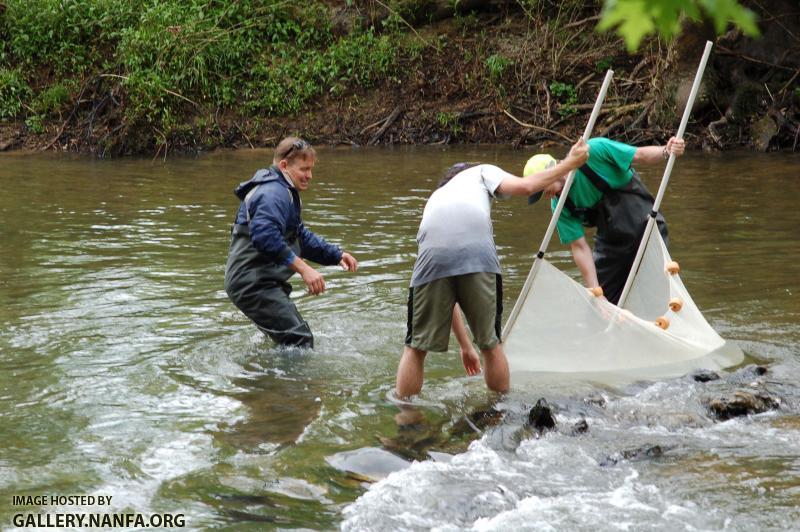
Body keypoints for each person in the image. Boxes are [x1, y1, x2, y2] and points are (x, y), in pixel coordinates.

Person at [395, 139, 590, 399]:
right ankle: (501, 410)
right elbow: (527, 185)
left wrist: (465, 347)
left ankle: (406, 421)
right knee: (491, 345)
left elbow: (448, 298)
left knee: (415, 348)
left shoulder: (436, 198)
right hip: (477, 250)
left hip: (432, 252)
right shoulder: (482, 171)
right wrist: (571, 163)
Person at [224, 137, 358, 348]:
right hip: (253, 284)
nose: (309, 176)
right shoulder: (273, 193)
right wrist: (304, 270)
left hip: (261, 281)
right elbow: (265, 238)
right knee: (299, 339)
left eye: (311, 169)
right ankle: (295, 382)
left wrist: (336, 254)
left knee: (290, 338)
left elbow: (299, 237)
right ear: (284, 166)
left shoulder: (283, 190)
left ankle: (265, 377)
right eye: (304, 169)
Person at [524, 136, 685, 305]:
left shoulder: (592, 151)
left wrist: (666, 151)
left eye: (542, 189)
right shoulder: (559, 205)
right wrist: (596, 291)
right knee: (599, 305)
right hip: (611, 242)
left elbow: (640, 155)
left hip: (645, 225)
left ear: (552, 171)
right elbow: (579, 247)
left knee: (654, 295)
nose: (546, 195)